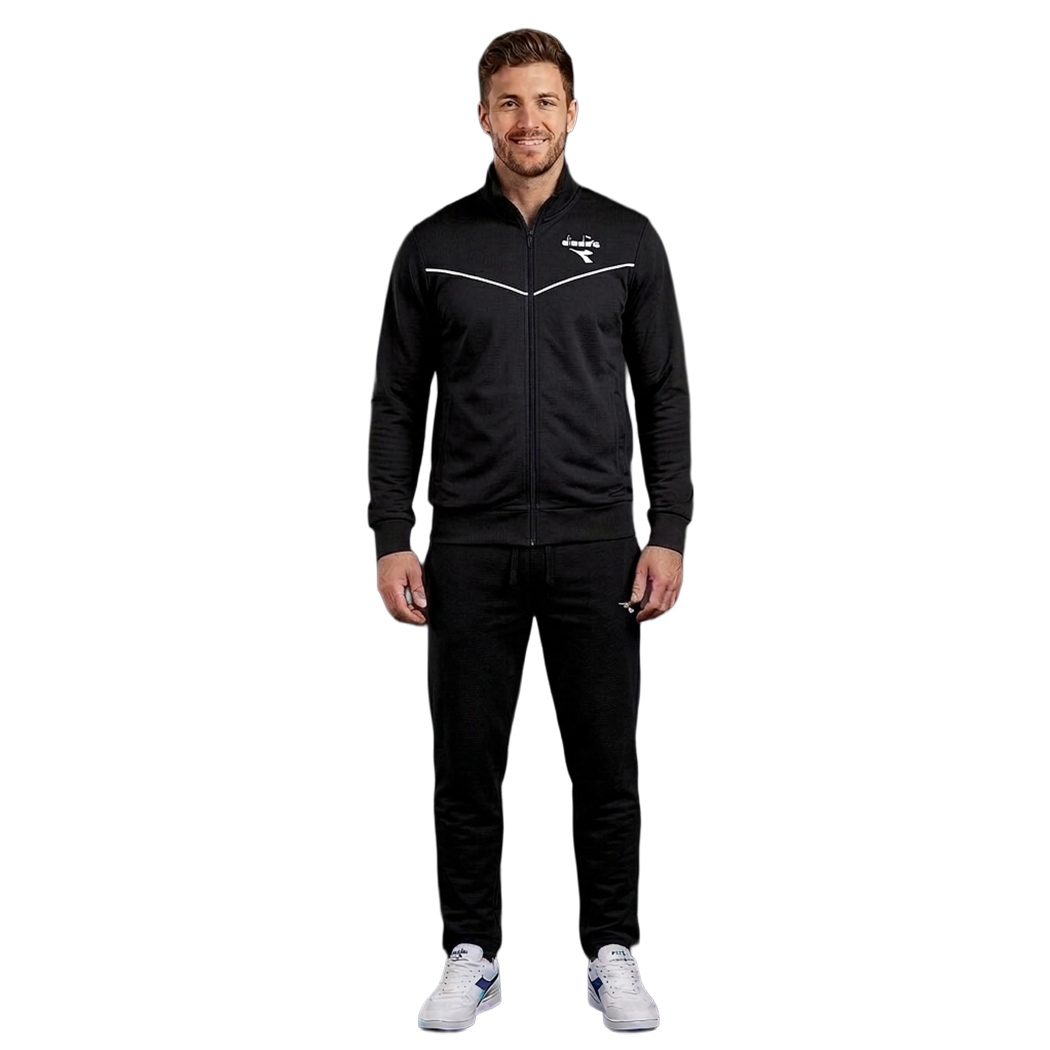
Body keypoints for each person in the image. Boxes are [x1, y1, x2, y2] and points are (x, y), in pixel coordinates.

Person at [368, 28, 692, 1032]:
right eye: (509, 102)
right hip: (471, 547)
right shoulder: (435, 247)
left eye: (545, 101)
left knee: (606, 764)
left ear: (572, 113)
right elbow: (396, 401)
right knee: (467, 765)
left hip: (598, 546)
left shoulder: (628, 239)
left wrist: (668, 526)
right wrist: (391, 532)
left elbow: (664, 392)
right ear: (483, 115)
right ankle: (472, 953)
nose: (528, 120)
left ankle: (612, 951)